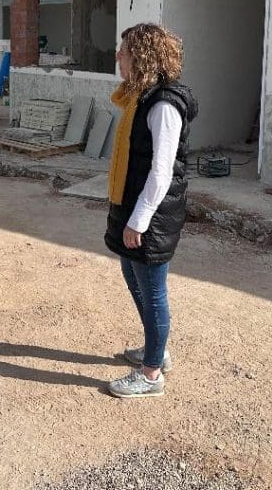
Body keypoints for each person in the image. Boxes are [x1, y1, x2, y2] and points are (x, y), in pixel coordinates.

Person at [104, 23, 198, 398]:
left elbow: (161, 172)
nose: (118, 56)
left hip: (153, 215)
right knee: (133, 275)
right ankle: (154, 349)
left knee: (153, 290)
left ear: (141, 57)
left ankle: (151, 374)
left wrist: (139, 220)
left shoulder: (163, 105)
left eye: (124, 51)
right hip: (133, 206)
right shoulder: (139, 97)